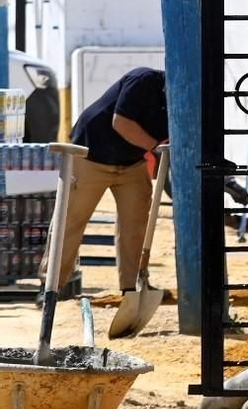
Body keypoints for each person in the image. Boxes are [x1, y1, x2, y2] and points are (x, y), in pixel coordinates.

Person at [58, 67, 168, 312]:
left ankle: (131, 289)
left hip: (131, 163)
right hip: (90, 155)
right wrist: (155, 147)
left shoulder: (185, 102)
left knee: (136, 226)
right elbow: (121, 123)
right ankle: (53, 287)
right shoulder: (143, 81)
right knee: (71, 221)